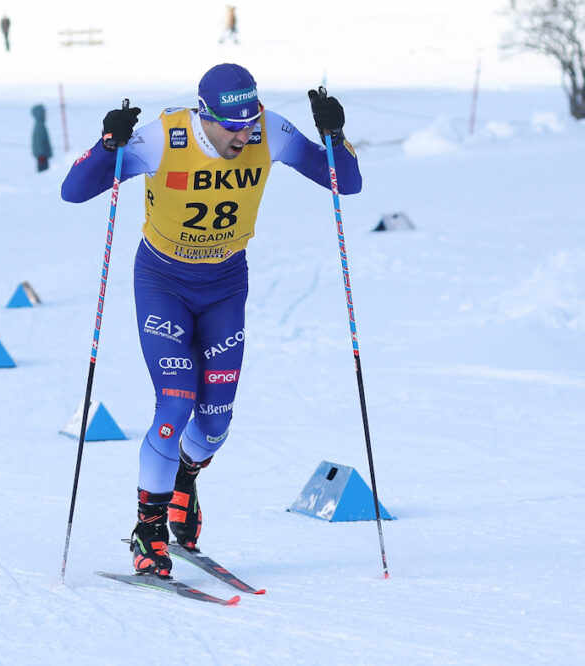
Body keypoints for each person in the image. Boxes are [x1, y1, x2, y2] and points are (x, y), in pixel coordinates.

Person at [61, 63, 361, 577]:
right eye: (232, 127)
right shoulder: (165, 137)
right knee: (175, 402)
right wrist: (109, 145)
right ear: (205, 116)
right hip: (163, 282)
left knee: (215, 426)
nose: (244, 136)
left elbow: (344, 183)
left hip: (225, 286)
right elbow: (75, 189)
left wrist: (335, 134)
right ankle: (149, 528)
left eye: (251, 123)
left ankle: (184, 476)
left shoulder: (272, 131)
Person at [31, 104, 52, 172]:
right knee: (43, 174)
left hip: (43, 156)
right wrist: (41, 155)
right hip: (42, 157)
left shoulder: (41, 124)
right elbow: (38, 141)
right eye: (44, 113)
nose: (46, 115)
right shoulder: (40, 126)